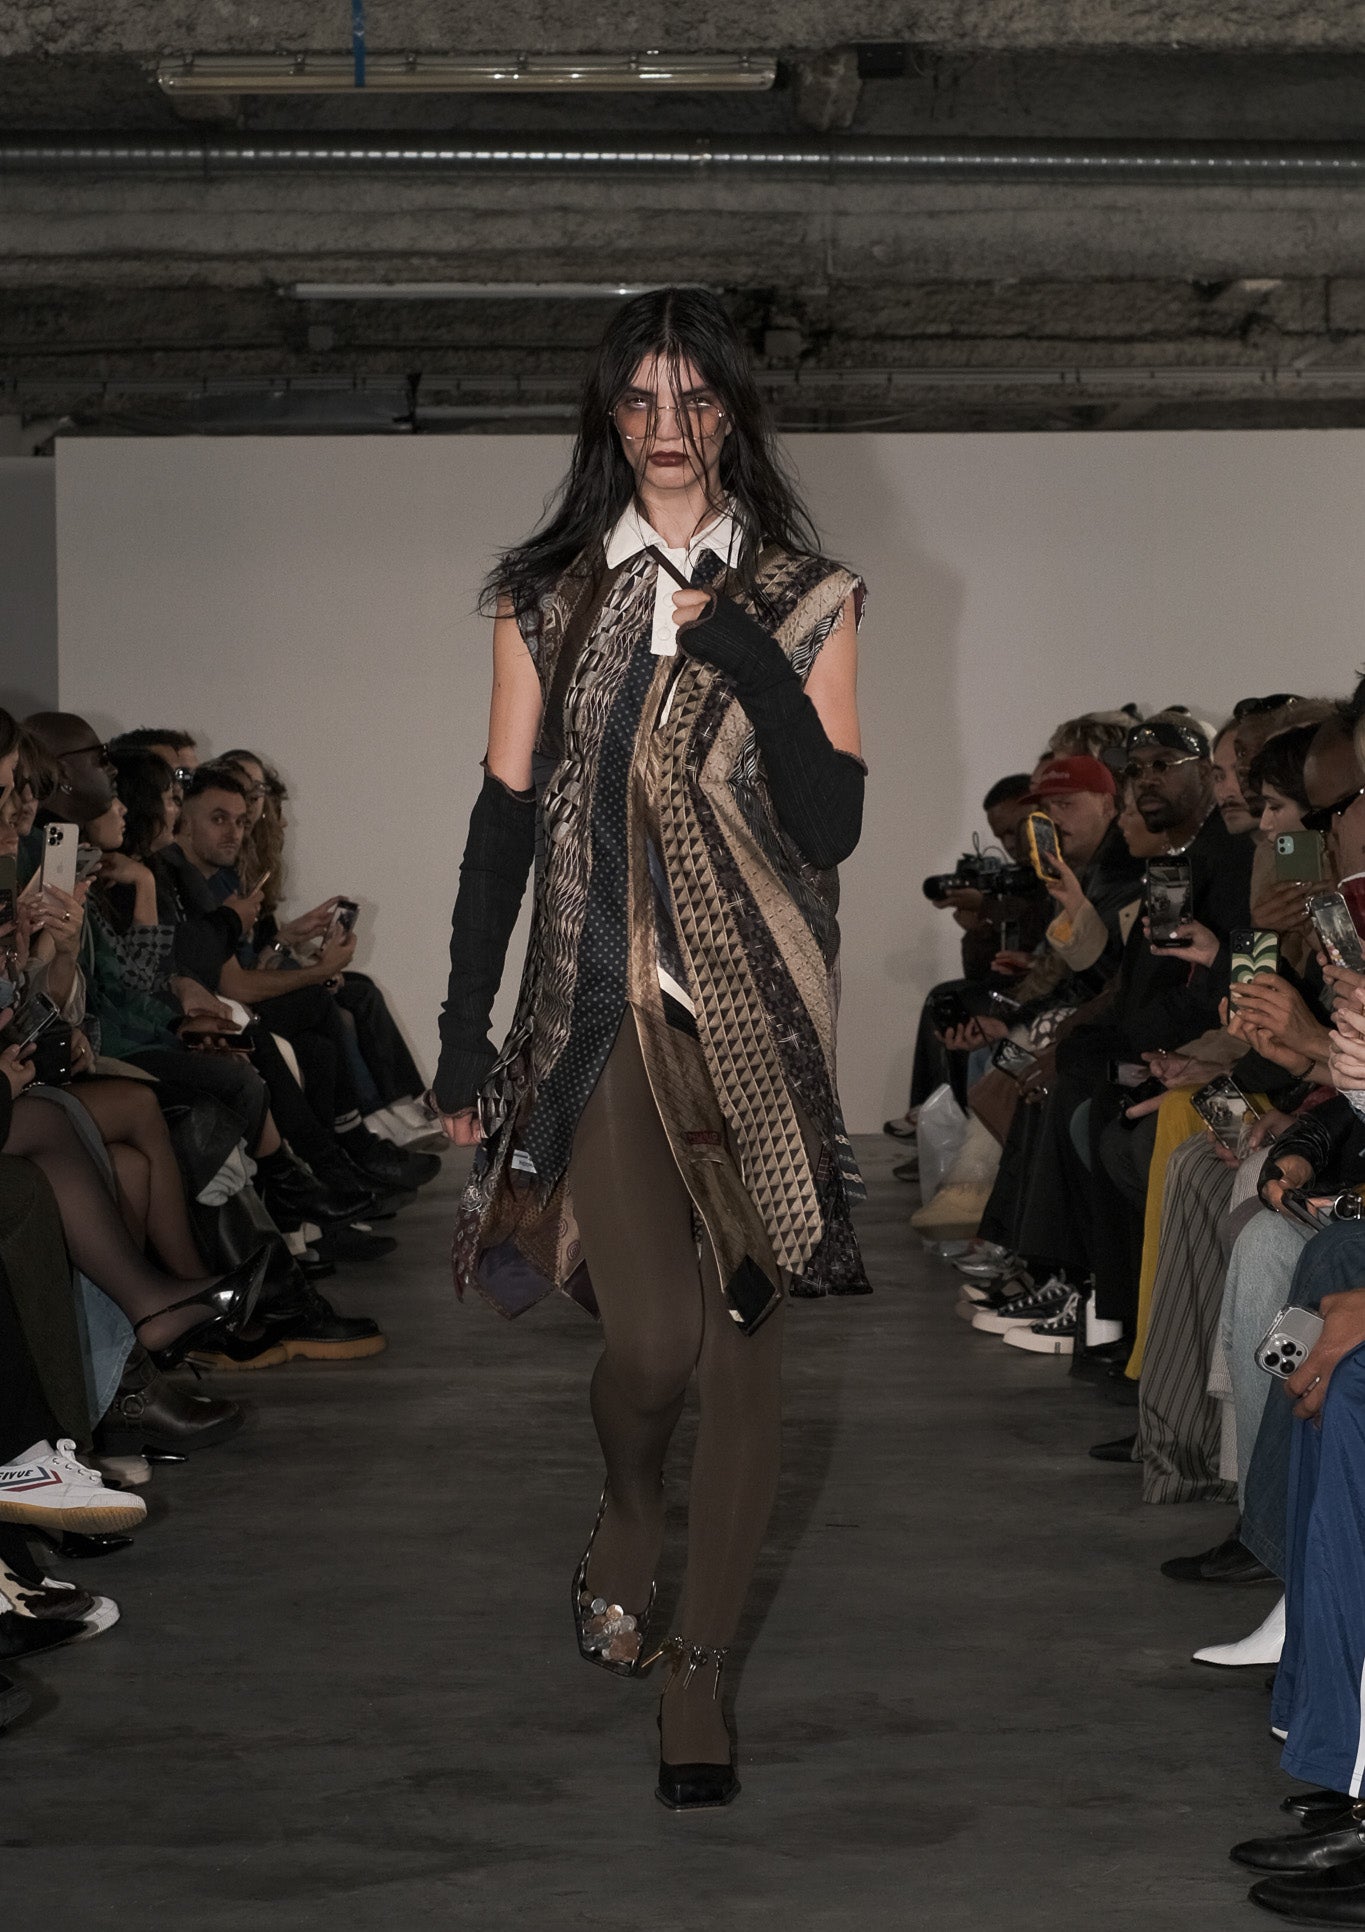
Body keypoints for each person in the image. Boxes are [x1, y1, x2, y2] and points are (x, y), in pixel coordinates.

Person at [430, 286, 867, 1810]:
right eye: (638, 401)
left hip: (759, 1018)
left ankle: (697, 1677)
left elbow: (830, 822)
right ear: (605, 417)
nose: (667, 430)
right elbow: (502, 824)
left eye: (694, 399)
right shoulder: (542, 597)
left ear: (734, 411)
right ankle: (628, 1501)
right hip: (598, 1007)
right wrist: (461, 1031)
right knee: (656, 1347)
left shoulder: (809, 596)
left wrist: (742, 650)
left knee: (745, 1349)